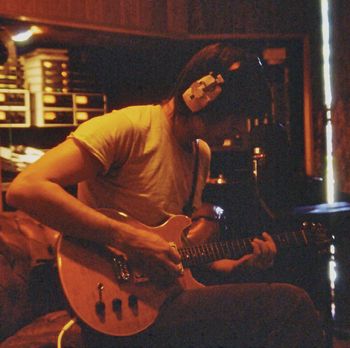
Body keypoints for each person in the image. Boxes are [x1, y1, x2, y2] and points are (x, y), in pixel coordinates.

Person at [6, 43, 324, 347]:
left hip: (164, 300)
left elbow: (177, 250)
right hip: (112, 300)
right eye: (237, 116)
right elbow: (26, 188)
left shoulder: (201, 154)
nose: (241, 129)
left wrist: (238, 267)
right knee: (290, 304)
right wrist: (131, 238)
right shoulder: (126, 128)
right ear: (201, 97)